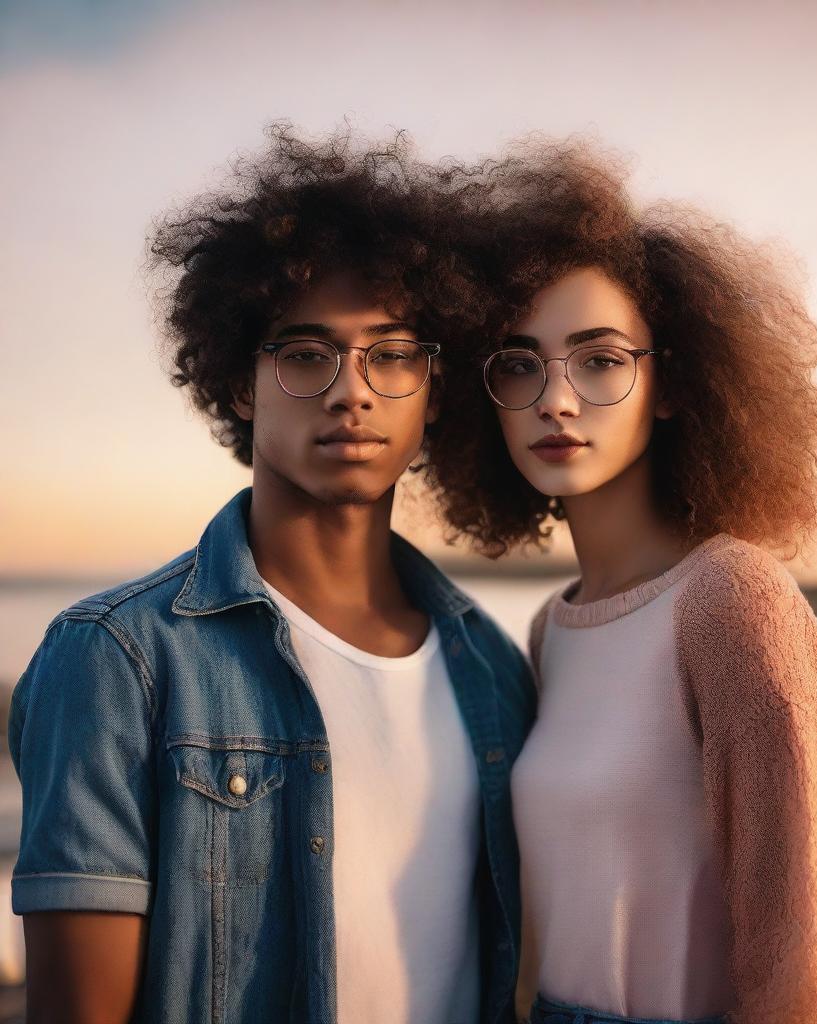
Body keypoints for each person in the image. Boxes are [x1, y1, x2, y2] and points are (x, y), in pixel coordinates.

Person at [8, 125, 535, 1024]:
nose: (351, 391)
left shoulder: (490, 664)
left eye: (393, 353)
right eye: (305, 353)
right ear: (240, 382)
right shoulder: (117, 658)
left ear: (435, 389)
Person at [426, 142, 817, 1024]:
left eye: (598, 360)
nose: (555, 399)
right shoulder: (556, 628)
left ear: (669, 383)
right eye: (520, 364)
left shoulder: (731, 599)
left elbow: (801, 953)